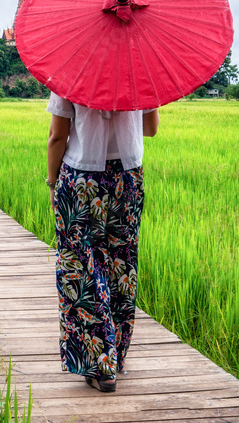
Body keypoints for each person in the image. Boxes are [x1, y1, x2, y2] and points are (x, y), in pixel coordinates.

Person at [45, 91, 159, 393]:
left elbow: (58, 136)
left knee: (82, 270)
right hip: (128, 178)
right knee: (121, 265)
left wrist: (52, 181)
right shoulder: (141, 73)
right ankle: (116, 354)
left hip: (81, 179)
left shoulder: (72, 71)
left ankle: (101, 366)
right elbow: (150, 128)